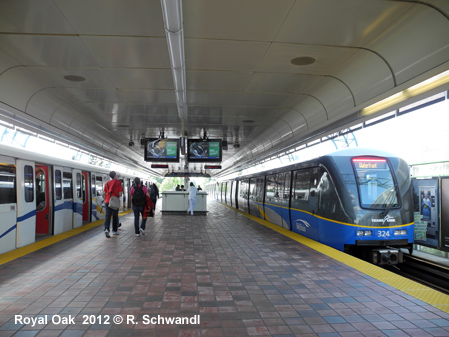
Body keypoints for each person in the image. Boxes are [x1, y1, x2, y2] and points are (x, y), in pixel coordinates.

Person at [103, 171, 123, 238]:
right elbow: (120, 194)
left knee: (107, 216)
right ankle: (114, 230)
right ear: (115, 175)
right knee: (115, 216)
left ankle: (106, 229)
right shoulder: (118, 182)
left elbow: (104, 193)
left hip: (107, 201)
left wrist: (106, 200)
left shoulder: (107, 183)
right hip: (114, 202)